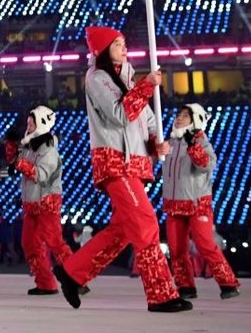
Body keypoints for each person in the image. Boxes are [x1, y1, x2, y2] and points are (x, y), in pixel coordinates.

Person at [52, 27, 190, 313]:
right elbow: (120, 115)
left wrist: (155, 142)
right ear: (103, 50)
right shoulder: (97, 78)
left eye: (124, 43)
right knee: (145, 224)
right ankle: (161, 295)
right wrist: (146, 86)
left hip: (134, 163)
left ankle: (72, 273)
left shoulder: (127, 78)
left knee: (123, 230)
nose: (124, 48)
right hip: (116, 163)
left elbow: (147, 119)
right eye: (117, 44)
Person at [162, 103, 239, 300]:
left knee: (205, 245)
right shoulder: (170, 142)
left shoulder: (201, 141)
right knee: (177, 250)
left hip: (197, 204)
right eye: (179, 115)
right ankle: (186, 287)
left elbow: (207, 165)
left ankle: (228, 283)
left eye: (185, 115)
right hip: (174, 204)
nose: (179, 118)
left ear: (195, 120)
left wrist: (193, 146)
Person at [4, 105, 73, 295]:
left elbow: (40, 174)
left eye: (31, 123)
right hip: (31, 202)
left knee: (54, 241)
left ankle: (77, 277)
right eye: (28, 122)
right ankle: (45, 282)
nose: (28, 125)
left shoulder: (49, 149)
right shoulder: (29, 146)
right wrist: (10, 144)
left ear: (42, 123)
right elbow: (14, 162)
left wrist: (18, 162)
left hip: (47, 201)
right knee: (29, 243)